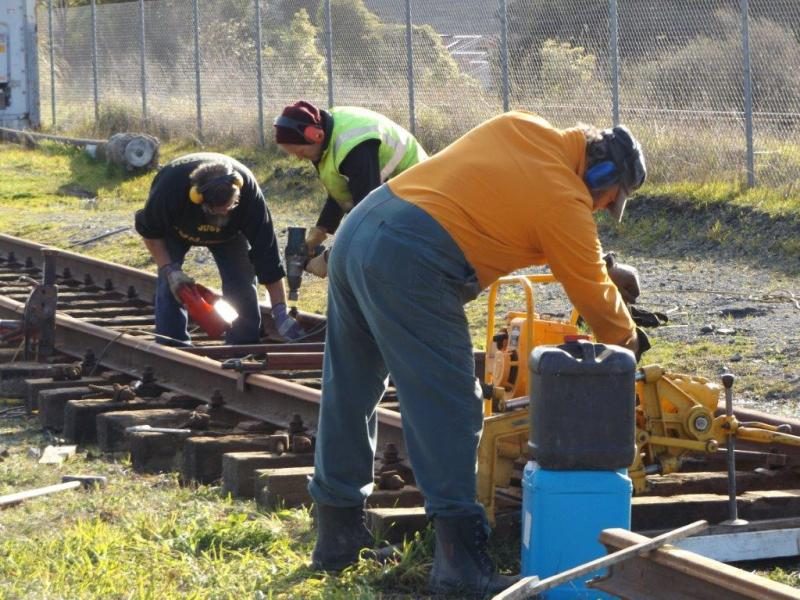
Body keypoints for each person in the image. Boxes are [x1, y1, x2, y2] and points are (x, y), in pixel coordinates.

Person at [307, 112, 648, 596]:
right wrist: (631, 346)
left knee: (351, 388)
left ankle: (337, 537)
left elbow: (504, 199)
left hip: (361, 229)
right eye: (608, 201)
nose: (599, 210)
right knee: (447, 402)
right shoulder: (565, 198)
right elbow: (594, 297)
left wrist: (599, 261)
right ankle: (461, 567)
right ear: (600, 177)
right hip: (410, 259)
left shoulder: (522, 127)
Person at [134, 152, 302, 346]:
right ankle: (172, 345)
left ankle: (243, 344)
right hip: (176, 230)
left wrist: (280, 311)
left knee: (242, 282)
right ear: (198, 199)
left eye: (230, 206)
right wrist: (170, 271)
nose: (225, 212)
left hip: (230, 236)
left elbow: (267, 255)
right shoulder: (169, 189)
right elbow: (150, 232)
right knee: (170, 285)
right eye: (218, 209)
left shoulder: (250, 195)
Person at [273, 100, 427, 277]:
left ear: (316, 135)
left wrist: (329, 258)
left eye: (300, 152)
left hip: (417, 194)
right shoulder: (327, 141)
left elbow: (367, 216)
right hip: (391, 194)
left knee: (382, 263)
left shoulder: (355, 146)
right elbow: (342, 190)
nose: (300, 159)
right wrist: (321, 230)